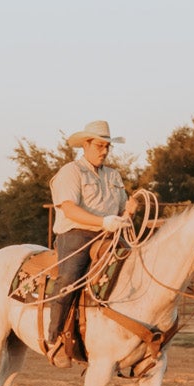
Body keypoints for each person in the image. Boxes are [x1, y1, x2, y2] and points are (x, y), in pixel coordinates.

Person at [47, 119, 135, 361]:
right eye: (99, 146)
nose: (104, 151)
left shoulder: (114, 175)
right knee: (69, 279)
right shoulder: (71, 172)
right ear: (85, 145)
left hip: (110, 236)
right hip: (77, 235)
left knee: (136, 268)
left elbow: (120, 212)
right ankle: (54, 339)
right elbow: (69, 209)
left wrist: (129, 212)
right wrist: (101, 222)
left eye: (107, 146)